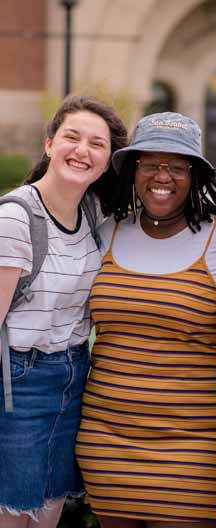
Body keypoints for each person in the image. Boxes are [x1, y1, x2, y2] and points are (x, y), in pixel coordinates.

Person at [76, 112, 216, 528]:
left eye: (177, 166)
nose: (162, 175)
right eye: (150, 163)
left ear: (195, 177)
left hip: (193, 452)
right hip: (106, 444)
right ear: (133, 171)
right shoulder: (107, 233)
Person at [0, 95, 128, 528]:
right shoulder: (16, 218)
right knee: (14, 515)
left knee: (50, 511)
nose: (83, 150)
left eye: (98, 143)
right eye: (72, 137)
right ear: (50, 144)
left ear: (108, 159)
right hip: (18, 384)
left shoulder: (95, 214)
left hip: (75, 378)